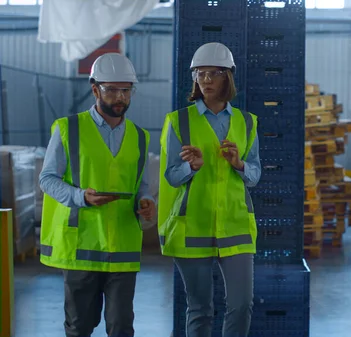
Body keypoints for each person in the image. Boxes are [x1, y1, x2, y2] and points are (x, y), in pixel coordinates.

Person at [38, 52, 156, 337]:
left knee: (121, 326)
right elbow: (47, 179)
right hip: (82, 246)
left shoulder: (140, 136)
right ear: (95, 89)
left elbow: (141, 185)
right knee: (80, 326)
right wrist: (81, 197)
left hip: (122, 247)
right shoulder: (68, 129)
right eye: (112, 89)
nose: (120, 97)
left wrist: (147, 203)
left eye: (126, 90)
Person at [158, 42, 261, 337]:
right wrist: (192, 167)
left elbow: (254, 175)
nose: (205, 80)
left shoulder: (247, 122)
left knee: (242, 304)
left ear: (227, 77)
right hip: (193, 226)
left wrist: (239, 164)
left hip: (236, 224)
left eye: (213, 73)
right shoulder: (177, 121)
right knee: (200, 308)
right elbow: (171, 177)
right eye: (199, 74)